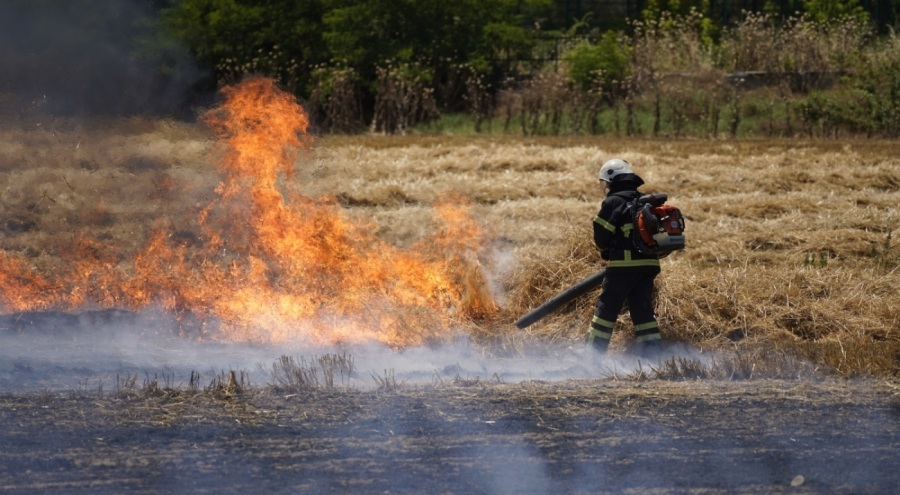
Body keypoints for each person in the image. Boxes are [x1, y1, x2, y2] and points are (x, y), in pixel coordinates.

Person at [586, 158, 663, 356]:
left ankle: (592, 356)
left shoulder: (613, 201)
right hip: (649, 264)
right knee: (642, 311)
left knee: (606, 309)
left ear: (612, 179)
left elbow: (601, 232)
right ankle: (653, 356)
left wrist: (604, 251)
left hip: (624, 266)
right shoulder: (642, 199)